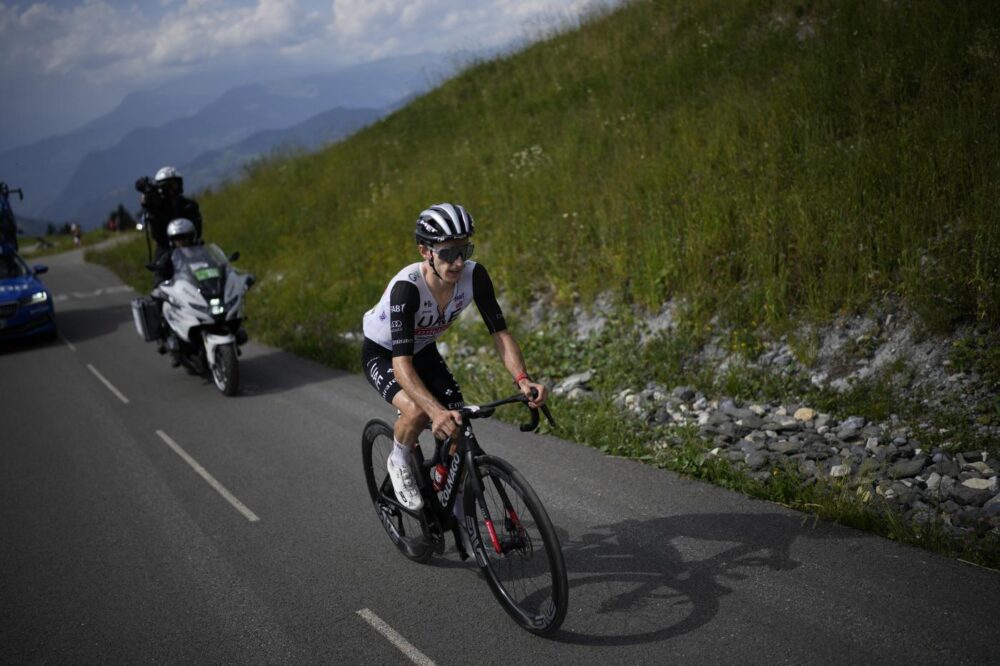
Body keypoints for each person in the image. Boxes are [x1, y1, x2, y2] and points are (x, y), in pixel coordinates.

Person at [362, 202, 548, 511]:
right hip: (384, 354)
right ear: (425, 251)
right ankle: (399, 459)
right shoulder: (408, 289)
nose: (459, 262)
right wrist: (434, 412)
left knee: (458, 422)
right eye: (448, 253)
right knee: (418, 412)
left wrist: (522, 379)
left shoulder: (475, 276)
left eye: (465, 250)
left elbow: (500, 334)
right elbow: (401, 364)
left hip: (423, 350)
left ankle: (453, 494)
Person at [136, 166, 202, 269]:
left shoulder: (189, 205)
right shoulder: (156, 208)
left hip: (191, 247)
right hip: (165, 250)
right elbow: (157, 234)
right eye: (170, 185)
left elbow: (197, 229)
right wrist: (148, 199)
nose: (174, 188)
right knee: (160, 276)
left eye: (176, 183)